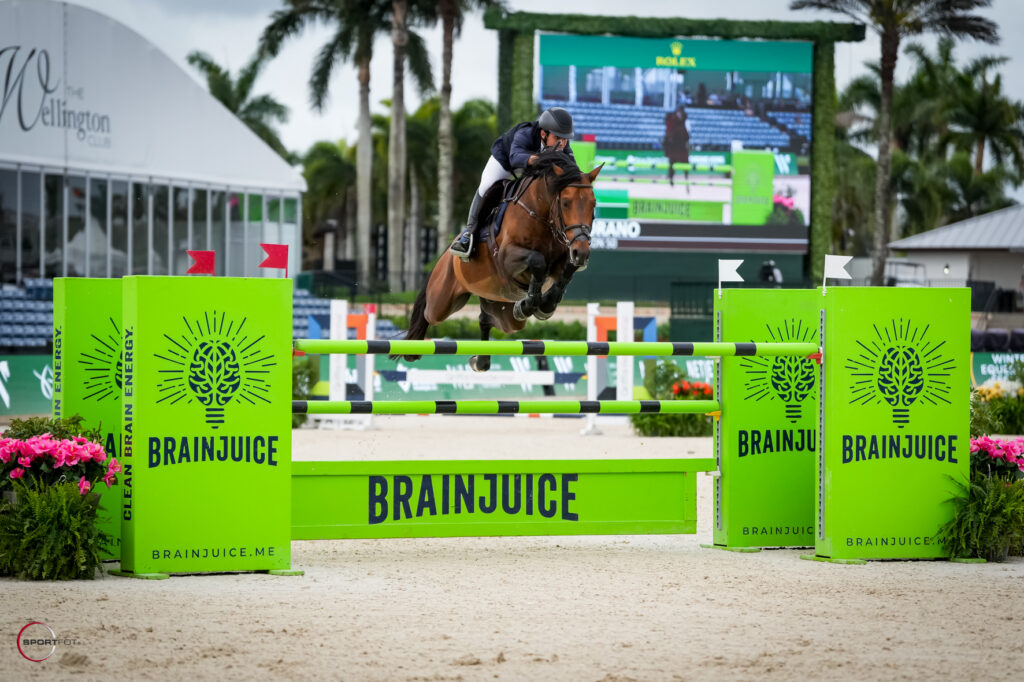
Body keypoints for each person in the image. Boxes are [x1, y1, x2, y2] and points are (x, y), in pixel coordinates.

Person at [449, 107, 575, 260]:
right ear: (543, 134)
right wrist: (540, 159)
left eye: (565, 139)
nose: (562, 143)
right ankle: (468, 234)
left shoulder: (562, 144)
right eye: (558, 138)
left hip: (530, 169)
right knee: (486, 187)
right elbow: (515, 157)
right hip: (505, 161)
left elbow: (572, 169)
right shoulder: (526, 133)